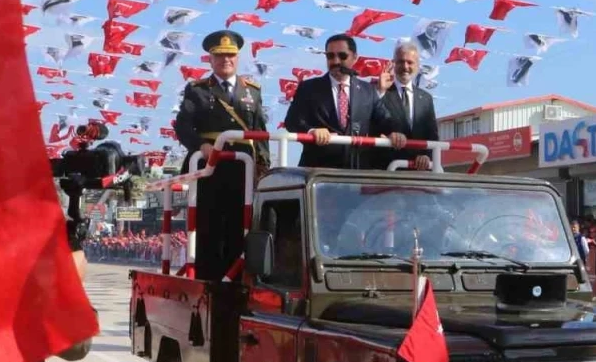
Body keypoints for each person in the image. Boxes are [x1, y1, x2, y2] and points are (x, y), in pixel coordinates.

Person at [173, 31, 269, 279]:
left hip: (243, 169)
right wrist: (200, 145)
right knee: (210, 225)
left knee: (242, 225)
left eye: (231, 55)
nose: (226, 60)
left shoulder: (252, 91)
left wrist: (264, 166)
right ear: (210, 59)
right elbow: (183, 125)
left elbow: (260, 130)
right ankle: (209, 280)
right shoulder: (198, 90)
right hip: (210, 167)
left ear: (238, 58)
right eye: (220, 55)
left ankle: (238, 279)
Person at [284, 33, 379, 168]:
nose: (336, 61)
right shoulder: (309, 88)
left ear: (355, 57)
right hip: (318, 173)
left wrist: (395, 133)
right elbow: (292, 121)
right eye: (330, 56)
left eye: (342, 56)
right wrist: (312, 131)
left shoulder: (368, 91)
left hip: (355, 172)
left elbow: (384, 121)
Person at [369, 41, 439, 170]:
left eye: (410, 62)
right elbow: (369, 124)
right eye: (401, 62)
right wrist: (380, 92)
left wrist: (426, 156)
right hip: (386, 171)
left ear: (417, 66)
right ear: (393, 64)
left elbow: (432, 135)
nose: (405, 66)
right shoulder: (378, 91)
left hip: (418, 173)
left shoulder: (426, 98)